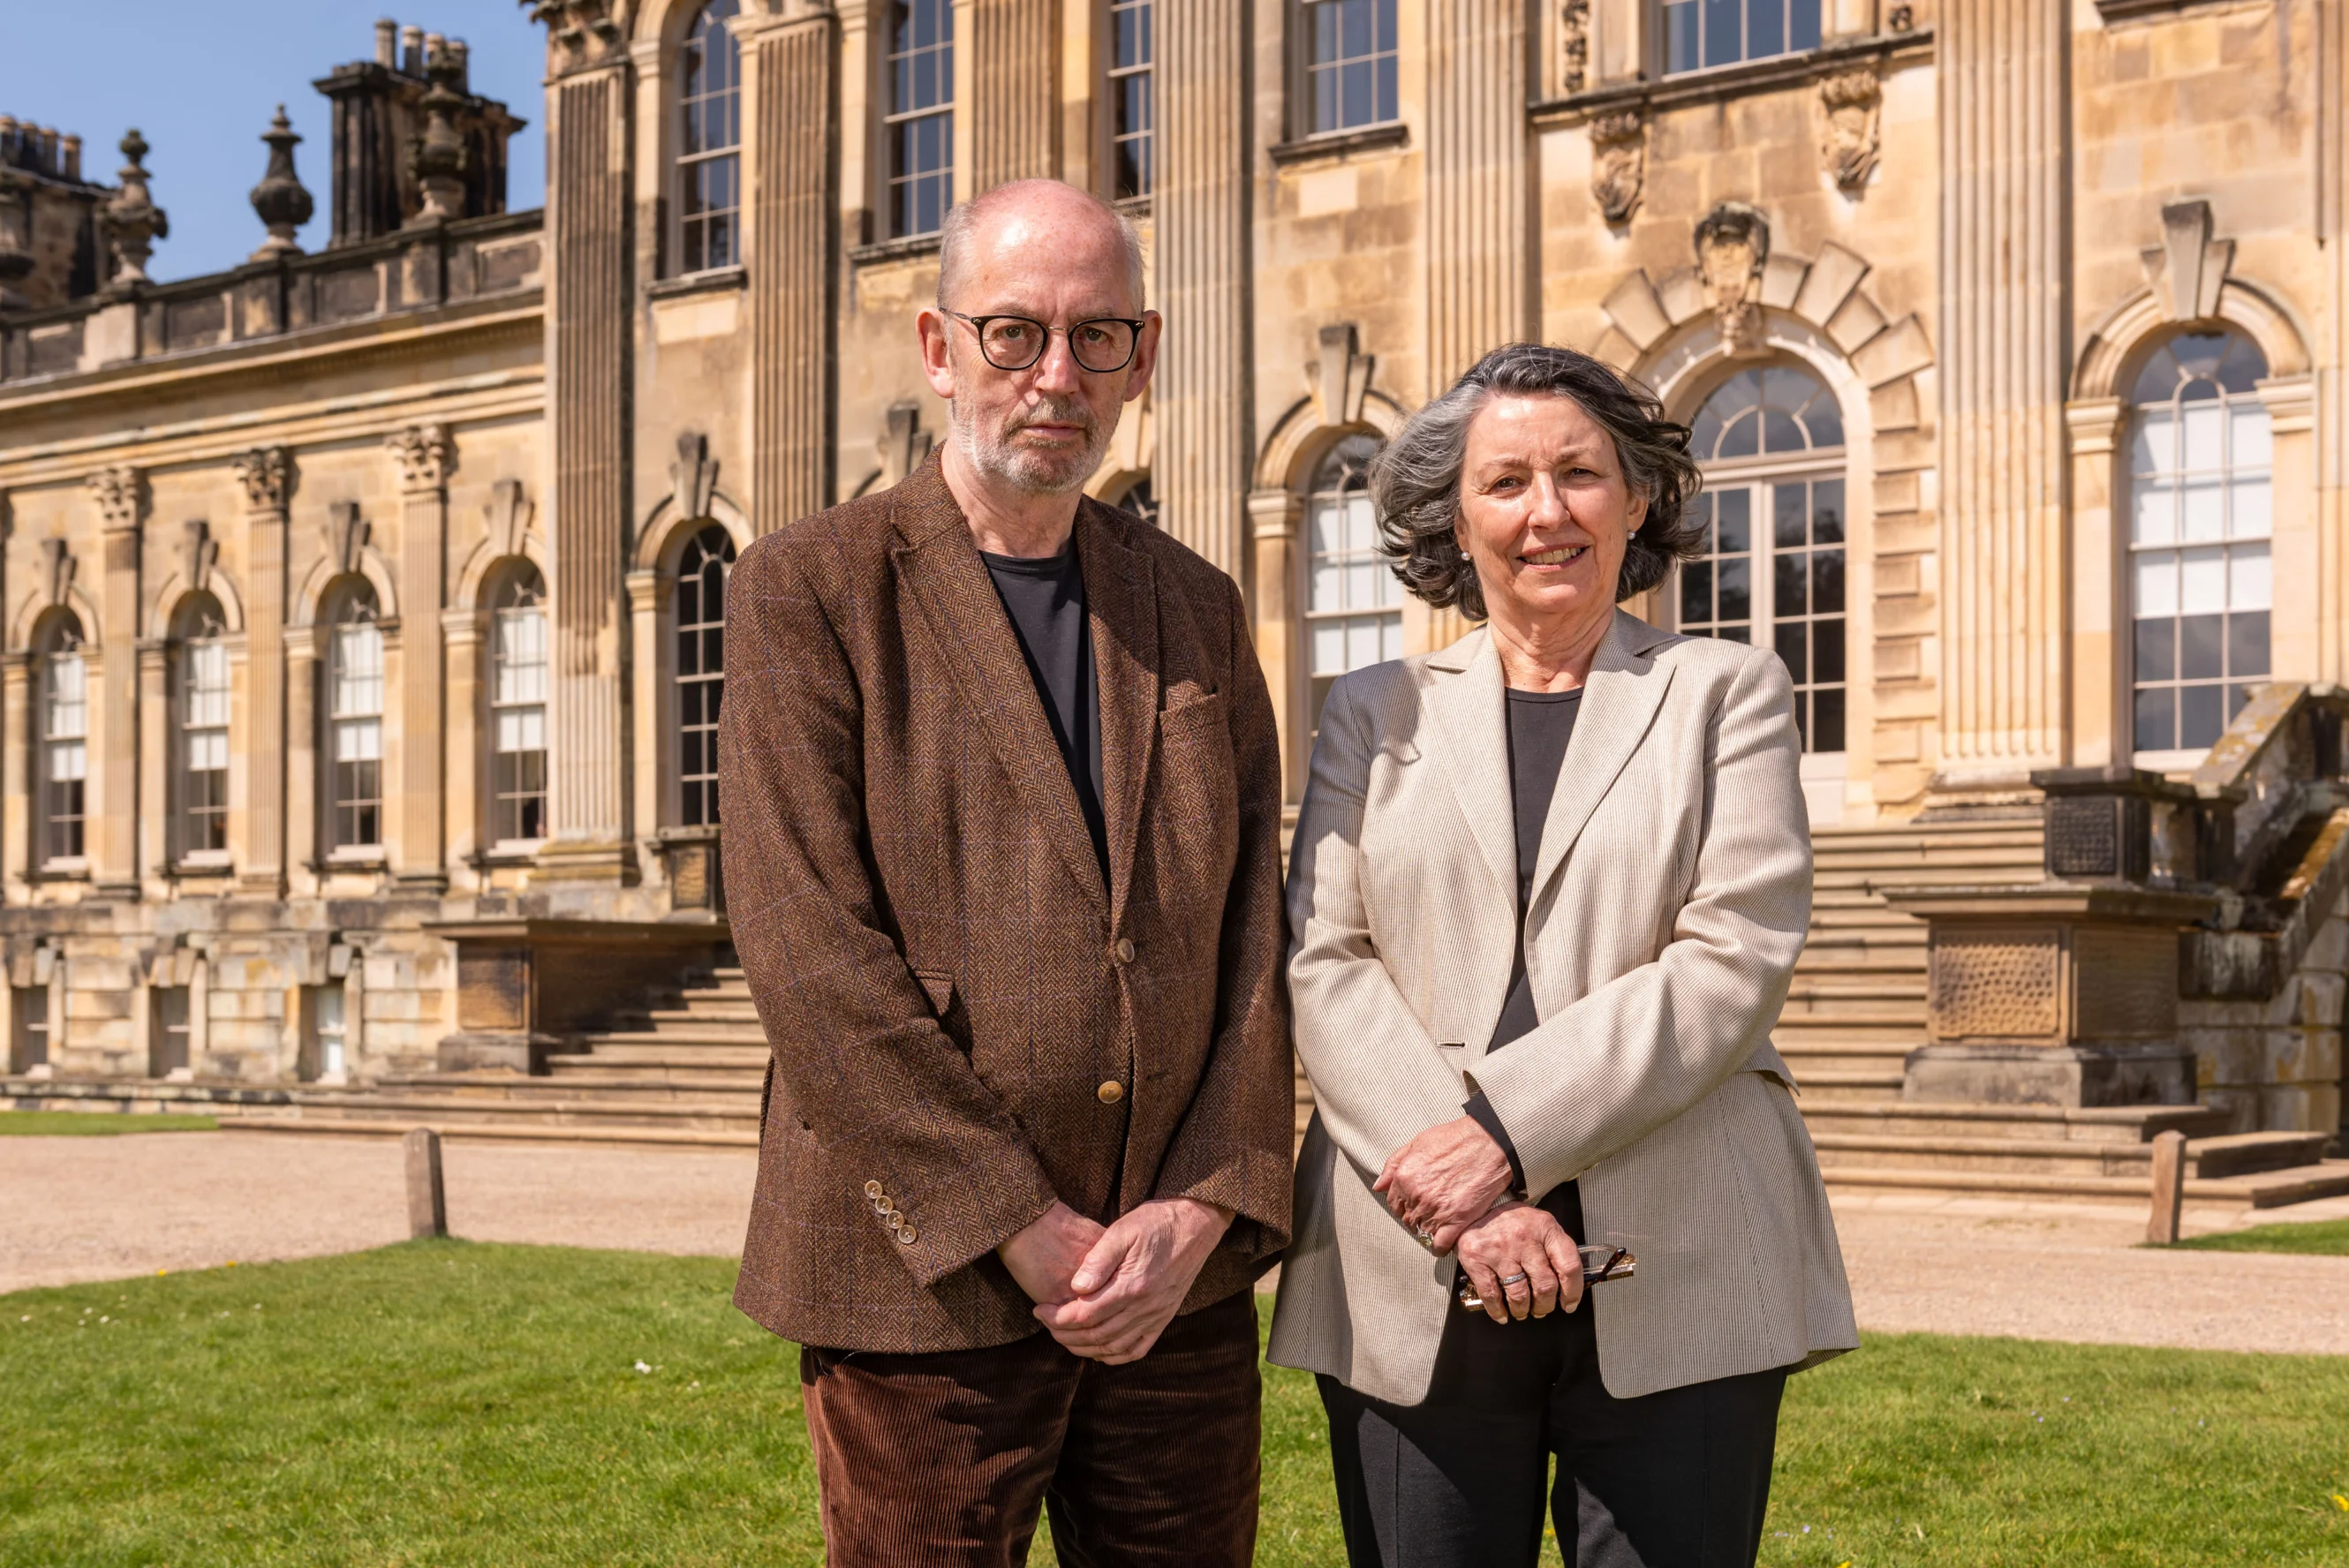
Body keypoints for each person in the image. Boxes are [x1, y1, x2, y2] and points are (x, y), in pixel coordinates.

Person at [720, 179, 1294, 1567]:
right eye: (1014, 332)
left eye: (1099, 338)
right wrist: (1013, 1224)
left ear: (1143, 357)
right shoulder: (811, 589)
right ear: (937, 349)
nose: (1057, 376)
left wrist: (1203, 1205)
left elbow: (1254, 937)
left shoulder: (1198, 603)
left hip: (1173, 1288)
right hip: (922, 1287)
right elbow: (808, 950)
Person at [1268, 342, 1857, 1568]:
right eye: (1506, 482)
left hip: (1682, 1249)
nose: (1547, 512)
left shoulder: (1726, 690)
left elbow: (1734, 954)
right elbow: (1323, 959)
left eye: (1581, 474)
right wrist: (1467, 1201)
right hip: (1412, 1257)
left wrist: (1497, 1137)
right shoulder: (1369, 708)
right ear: (1453, 515)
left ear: (1636, 499)